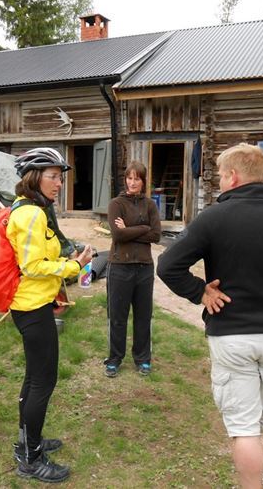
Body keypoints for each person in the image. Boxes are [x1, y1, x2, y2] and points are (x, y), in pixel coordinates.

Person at [157, 143, 263, 489]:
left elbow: (168, 265)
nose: (219, 180)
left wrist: (201, 290)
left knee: (245, 428)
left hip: (231, 335)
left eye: (220, 174)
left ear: (233, 176)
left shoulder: (213, 218)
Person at [7, 147, 93, 483]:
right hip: (32, 306)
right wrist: (75, 266)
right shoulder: (30, 215)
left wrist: (69, 253)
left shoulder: (33, 209)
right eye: (53, 176)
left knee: (34, 378)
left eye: (60, 177)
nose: (59, 183)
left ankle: (28, 441)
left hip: (32, 303)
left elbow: (44, 252)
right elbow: (32, 265)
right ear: (34, 177)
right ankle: (30, 458)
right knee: (43, 381)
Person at [104, 160, 161, 378]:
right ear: (125, 179)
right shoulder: (116, 204)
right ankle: (114, 359)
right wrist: (143, 228)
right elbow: (117, 235)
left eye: (137, 178)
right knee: (117, 316)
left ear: (143, 181)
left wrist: (130, 229)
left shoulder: (150, 205)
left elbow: (156, 235)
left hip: (144, 267)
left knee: (143, 316)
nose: (133, 182)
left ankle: (142, 358)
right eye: (129, 177)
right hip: (119, 266)